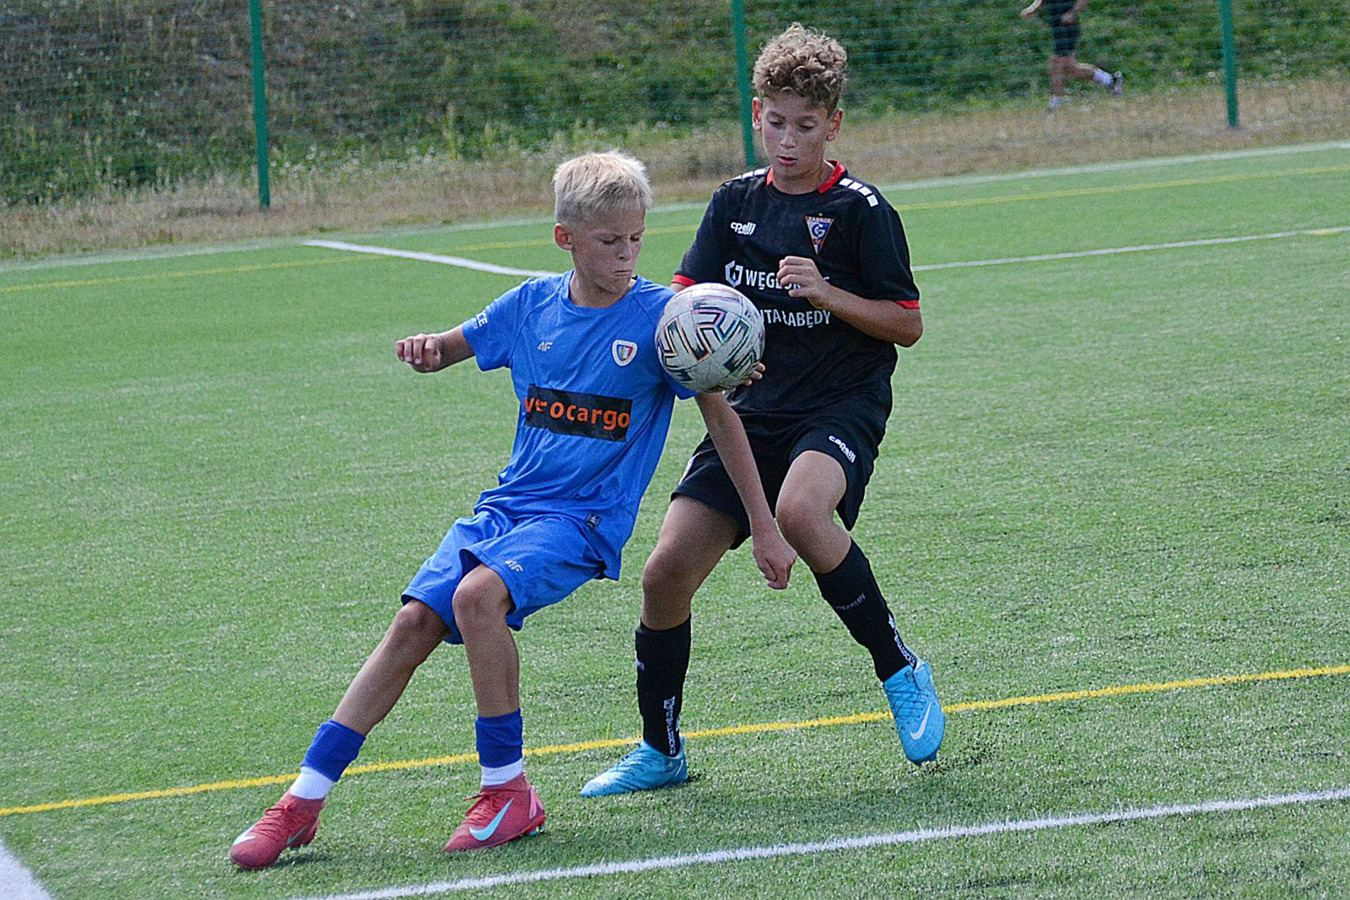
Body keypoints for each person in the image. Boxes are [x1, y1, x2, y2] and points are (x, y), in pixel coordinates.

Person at [227, 150, 795, 869]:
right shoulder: (529, 306)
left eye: (635, 239)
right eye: (608, 241)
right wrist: (427, 350)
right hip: (507, 508)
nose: (626, 255)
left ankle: (507, 792)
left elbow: (722, 419)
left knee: (476, 598)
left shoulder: (663, 322)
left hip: (581, 521)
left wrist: (765, 525)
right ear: (566, 238)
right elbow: (453, 347)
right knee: (413, 622)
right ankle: (302, 800)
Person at [581, 23, 944, 799]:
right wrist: (707, 344)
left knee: (802, 513)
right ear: (757, 115)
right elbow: (686, 302)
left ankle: (900, 668)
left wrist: (826, 293)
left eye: (805, 126)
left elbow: (907, 324)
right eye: (775, 122)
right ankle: (660, 750)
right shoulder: (734, 203)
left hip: (839, 405)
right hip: (748, 414)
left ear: (832, 125)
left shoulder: (859, 210)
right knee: (664, 574)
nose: (787, 139)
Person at [1021, 0, 1123, 109]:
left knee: (1055, 63)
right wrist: (1032, 9)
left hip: (1068, 27)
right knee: (1070, 69)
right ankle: (1110, 80)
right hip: (1057, 28)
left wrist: (1072, 13)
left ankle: (1055, 104)